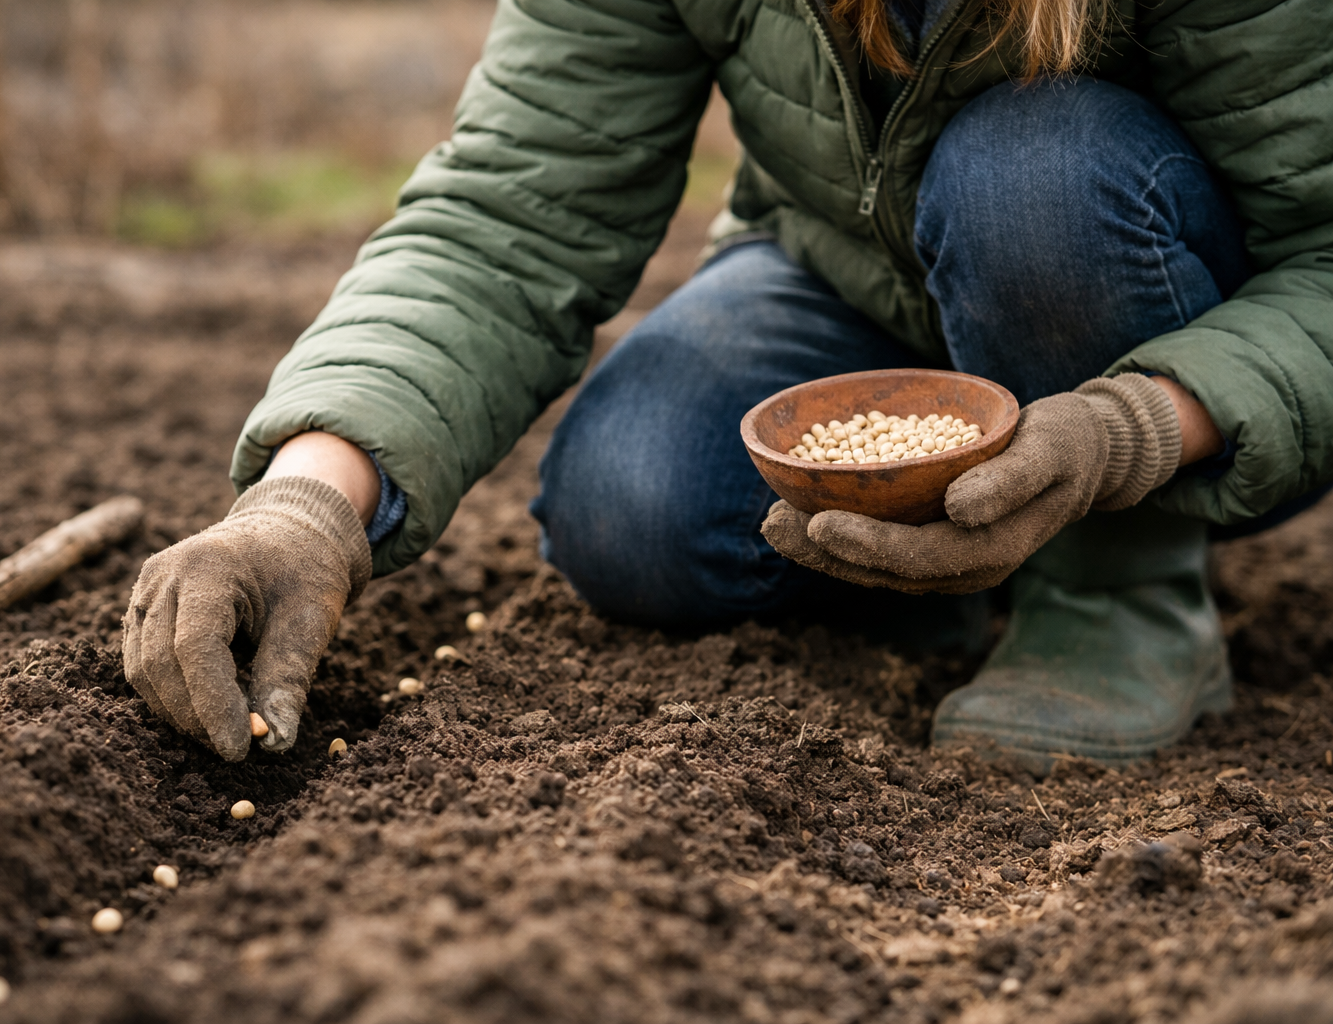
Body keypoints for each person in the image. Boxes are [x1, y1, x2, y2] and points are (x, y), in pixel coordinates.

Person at [121, 0, 1333, 772]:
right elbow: (508, 215)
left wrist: (1130, 429)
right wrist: (308, 495)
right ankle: (949, 562)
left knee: (1030, 171)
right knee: (630, 499)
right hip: (843, 270)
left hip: (1146, 313)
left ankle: (1119, 595)